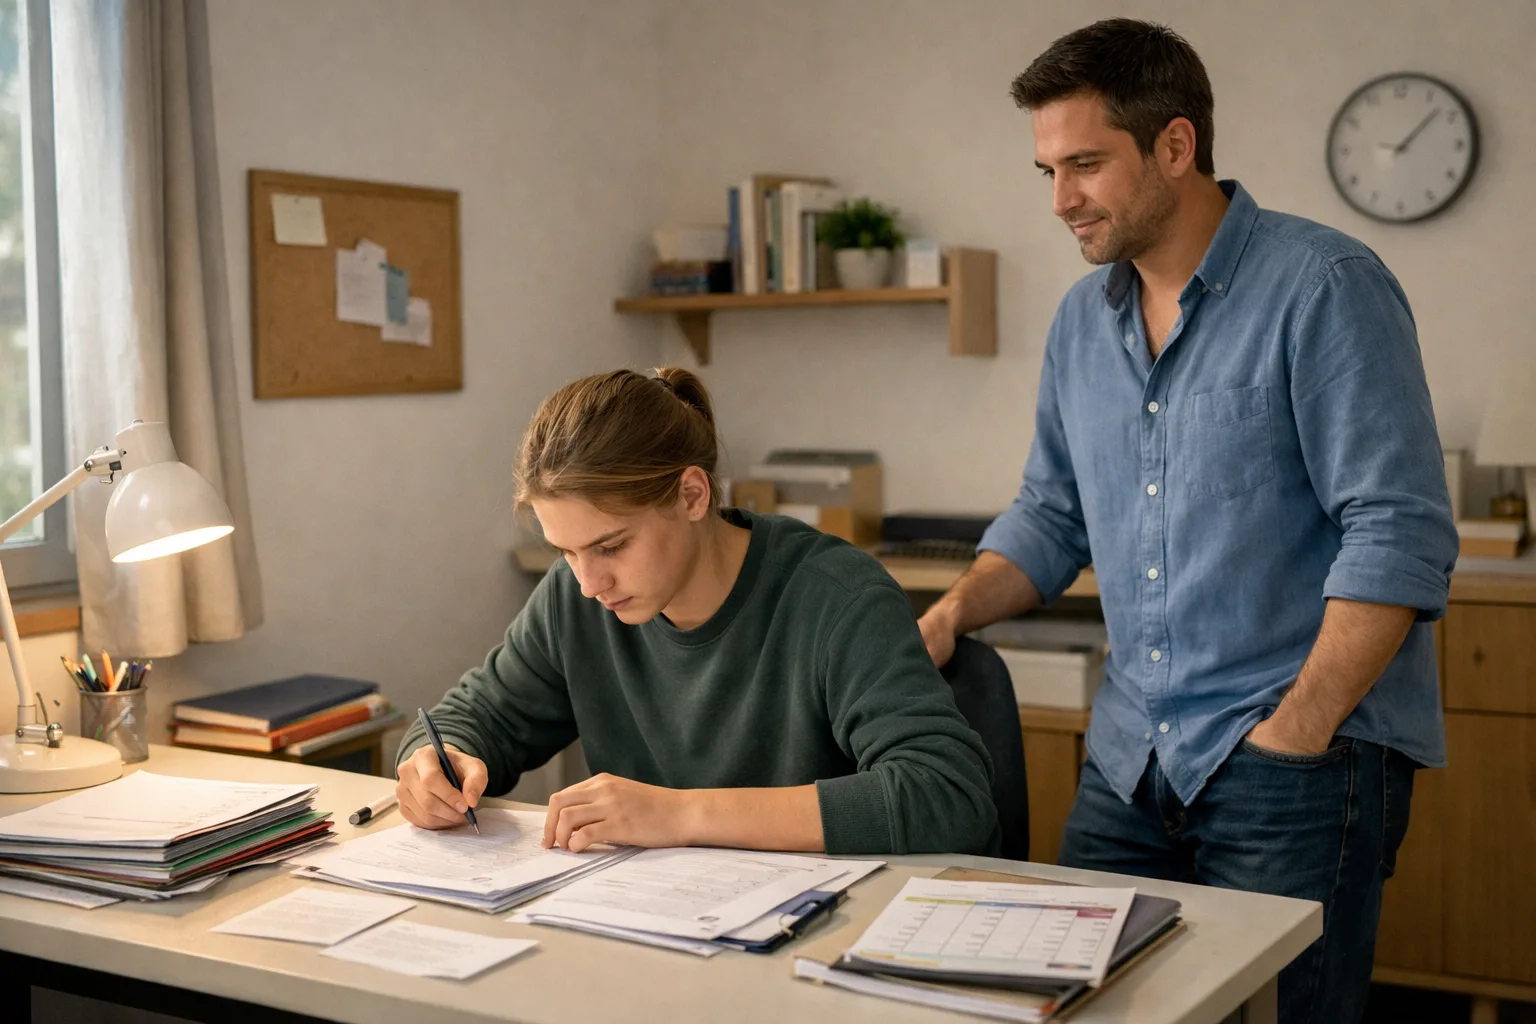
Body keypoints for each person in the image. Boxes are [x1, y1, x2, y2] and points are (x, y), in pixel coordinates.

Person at [916, 18, 1455, 1024]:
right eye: (1047, 169)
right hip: (1129, 758)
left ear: (1175, 144)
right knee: (1071, 1007)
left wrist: (1297, 730)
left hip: (1292, 760)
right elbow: (1051, 514)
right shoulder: (1084, 322)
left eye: (1084, 164)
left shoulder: (1325, 287)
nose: (1060, 199)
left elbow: (1399, 535)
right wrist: (952, 611)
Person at [396, 366, 998, 857]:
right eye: (566, 552)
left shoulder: (835, 597)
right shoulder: (573, 596)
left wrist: (681, 812)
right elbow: (474, 719)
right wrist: (436, 765)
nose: (588, 583)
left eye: (610, 546)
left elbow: (946, 796)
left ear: (691, 495)